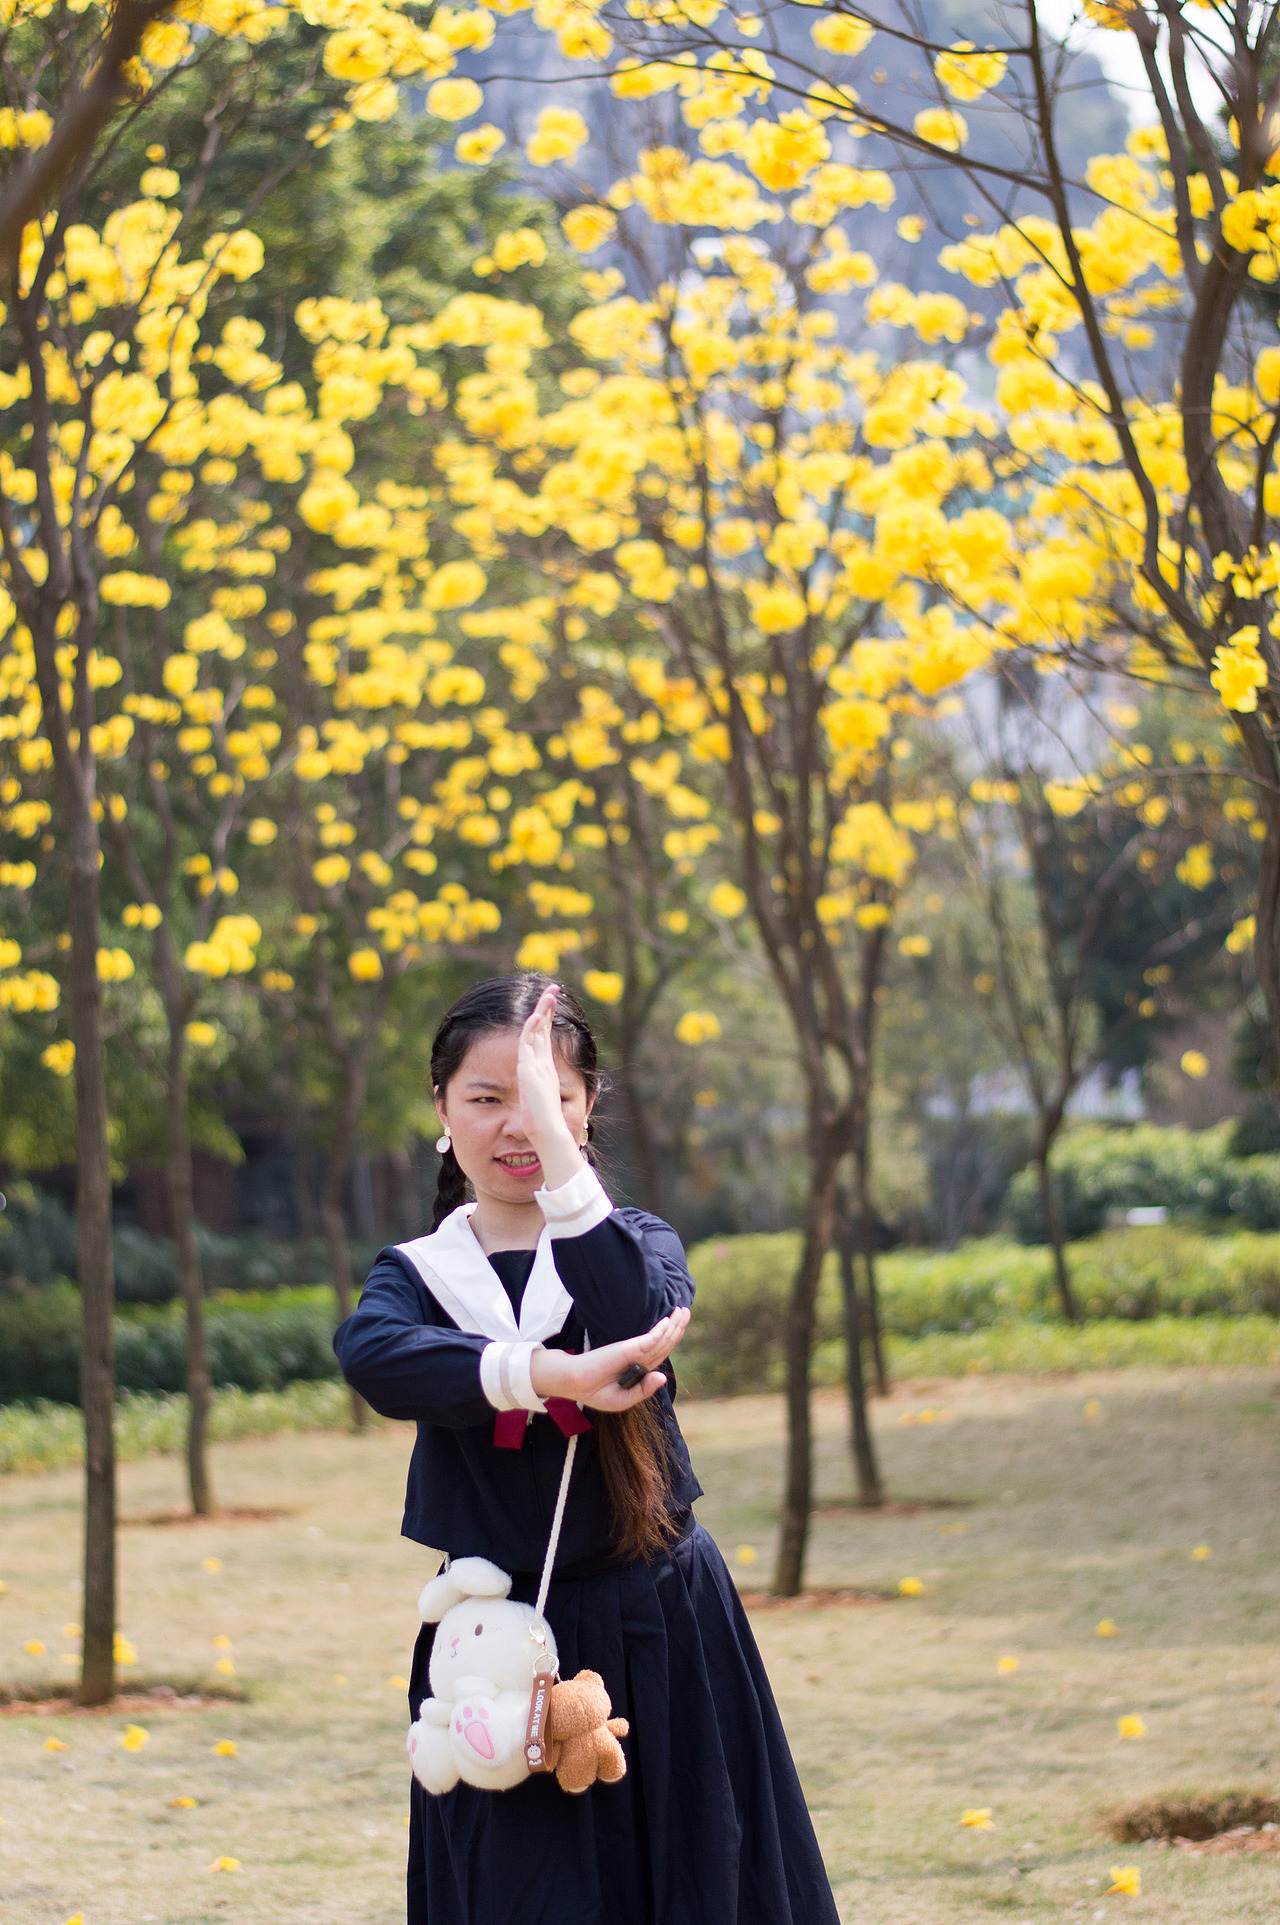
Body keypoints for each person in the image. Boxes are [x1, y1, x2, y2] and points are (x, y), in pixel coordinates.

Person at [334, 973, 841, 1925]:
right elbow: (375, 1358)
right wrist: (545, 1376)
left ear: (586, 1109)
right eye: (487, 1099)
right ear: (441, 1108)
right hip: (496, 1642)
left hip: (661, 1619)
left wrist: (569, 1181)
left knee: (691, 1883)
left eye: (547, 1100)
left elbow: (638, 1316)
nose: (517, 1126)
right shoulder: (418, 1274)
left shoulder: (636, 1242)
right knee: (519, 1898)